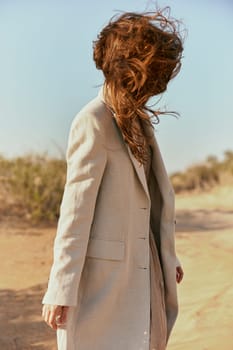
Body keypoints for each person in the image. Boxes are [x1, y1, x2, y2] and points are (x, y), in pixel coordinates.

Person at [42, 7, 184, 350]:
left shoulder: (138, 121)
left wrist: (168, 256)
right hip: (105, 284)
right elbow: (75, 214)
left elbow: (150, 199)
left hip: (146, 270)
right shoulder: (93, 121)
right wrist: (61, 288)